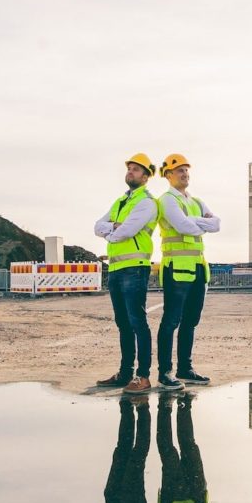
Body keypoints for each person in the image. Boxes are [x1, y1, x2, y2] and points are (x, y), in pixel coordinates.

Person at [155, 153, 220, 391]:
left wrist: (195, 223)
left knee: (191, 321)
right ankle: (165, 372)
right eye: (179, 170)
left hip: (198, 270)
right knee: (171, 321)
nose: (185, 174)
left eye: (186, 170)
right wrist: (201, 224)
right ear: (168, 175)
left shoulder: (196, 201)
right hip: (176, 271)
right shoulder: (166, 200)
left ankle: (185, 368)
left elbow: (217, 224)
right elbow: (182, 226)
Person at [94, 153, 157, 395]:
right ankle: (125, 373)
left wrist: (112, 231)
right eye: (129, 168)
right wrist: (113, 227)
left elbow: (127, 231)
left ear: (146, 177)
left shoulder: (147, 202)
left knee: (137, 321)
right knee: (123, 323)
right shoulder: (120, 202)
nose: (130, 172)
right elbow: (97, 226)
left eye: (136, 170)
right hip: (117, 269)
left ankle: (143, 376)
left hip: (135, 268)